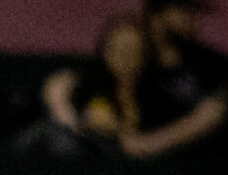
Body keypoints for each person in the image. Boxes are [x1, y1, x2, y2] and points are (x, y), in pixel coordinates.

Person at [131, 0, 228, 160]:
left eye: (192, 12)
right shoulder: (138, 61)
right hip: (143, 173)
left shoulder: (211, 62)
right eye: (183, 11)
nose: (192, 19)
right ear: (156, 18)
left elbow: (211, 115)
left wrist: (148, 144)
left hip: (201, 169)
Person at [38, 13, 147, 153]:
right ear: (104, 52)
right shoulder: (87, 88)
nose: (124, 59)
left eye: (132, 50)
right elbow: (57, 88)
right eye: (116, 50)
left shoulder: (155, 95)